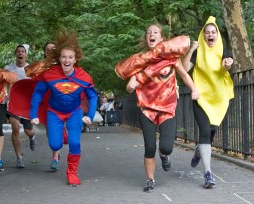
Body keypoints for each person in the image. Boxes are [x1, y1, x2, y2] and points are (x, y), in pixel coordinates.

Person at [115, 23, 200, 192]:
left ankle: (164, 155)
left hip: (167, 108)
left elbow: (183, 74)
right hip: (147, 108)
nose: (151, 34)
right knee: (149, 147)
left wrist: (194, 89)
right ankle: (150, 180)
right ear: (147, 39)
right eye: (148, 33)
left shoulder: (171, 58)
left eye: (155, 32)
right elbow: (130, 86)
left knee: (166, 147)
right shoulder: (140, 61)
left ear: (161, 38)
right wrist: (130, 87)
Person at [30, 29, 98, 187]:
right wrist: (33, 113)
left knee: (75, 143)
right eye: (64, 57)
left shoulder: (84, 77)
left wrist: (91, 114)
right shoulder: (49, 75)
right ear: (59, 58)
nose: (67, 60)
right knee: (55, 145)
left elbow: (92, 96)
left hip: (74, 112)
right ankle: (62, 132)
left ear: (75, 59)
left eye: (70, 57)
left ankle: (72, 173)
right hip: (54, 113)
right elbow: (38, 93)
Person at [182, 16, 234, 189]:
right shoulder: (198, 53)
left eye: (213, 32)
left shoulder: (224, 51)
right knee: (205, 131)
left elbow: (226, 66)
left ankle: (199, 150)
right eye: (207, 33)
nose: (210, 35)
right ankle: (208, 173)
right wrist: (191, 49)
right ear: (203, 36)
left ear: (217, 35)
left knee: (212, 130)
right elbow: (183, 69)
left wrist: (228, 63)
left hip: (218, 98)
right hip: (201, 97)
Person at [24, 41, 62, 171]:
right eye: (48, 49)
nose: (51, 51)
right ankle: (56, 152)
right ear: (45, 52)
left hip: (61, 100)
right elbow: (30, 78)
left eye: (53, 48)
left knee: (58, 128)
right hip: (45, 101)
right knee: (50, 130)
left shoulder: (64, 64)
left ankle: (55, 158)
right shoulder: (39, 66)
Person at [5, 45, 37, 169]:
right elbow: (2, 82)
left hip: (27, 105)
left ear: (26, 55)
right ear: (15, 54)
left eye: (23, 52)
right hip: (13, 103)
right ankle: (19, 158)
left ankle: (32, 136)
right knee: (15, 126)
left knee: (28, 130)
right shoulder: (8, 69)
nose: (20, 53)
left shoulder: (31, 69)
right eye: (18, 51)